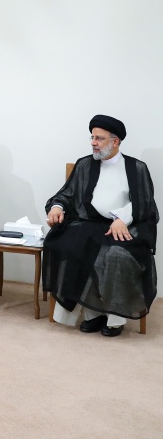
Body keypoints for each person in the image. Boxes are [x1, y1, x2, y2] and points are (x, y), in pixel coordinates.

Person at [43, 115, 158, 337]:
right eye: (92, 137)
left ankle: (115, 319)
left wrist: (121, 219)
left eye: (99, 138)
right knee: (73, 247)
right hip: (88, 224)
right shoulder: (84, 164)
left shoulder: (136, 168)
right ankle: (92, 315)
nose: (93, 143)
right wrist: (57, 207)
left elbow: (145, 204)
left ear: (115, 141)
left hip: (124, 227)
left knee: (116, 255)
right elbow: (67, 194)